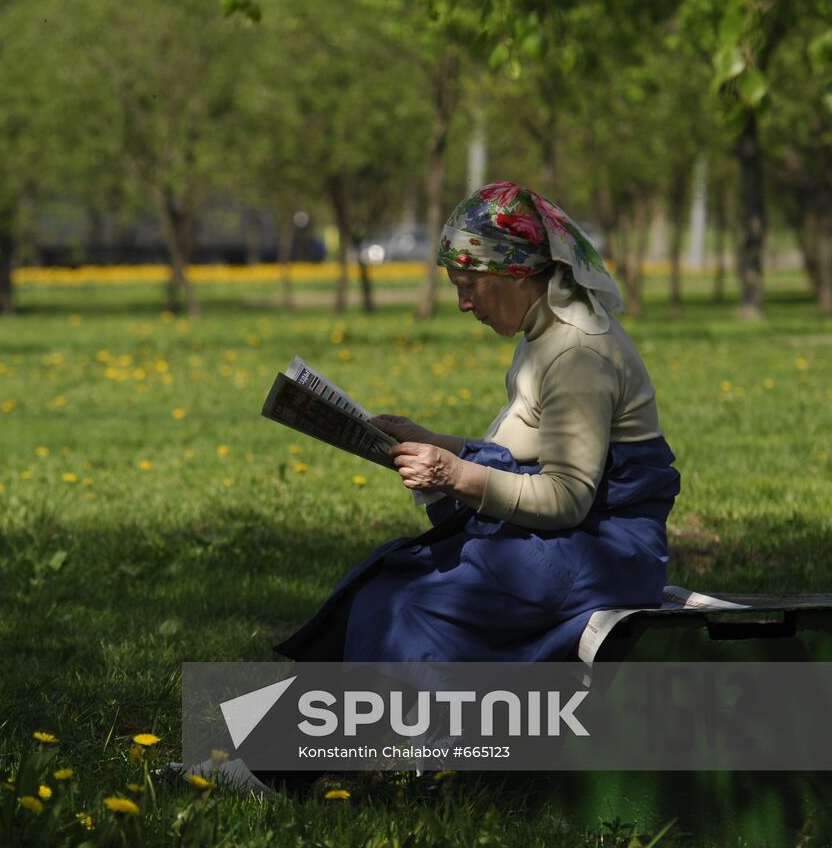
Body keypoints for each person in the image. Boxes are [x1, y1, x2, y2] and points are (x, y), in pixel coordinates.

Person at [275, 181, 680, 663]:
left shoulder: (577, 353)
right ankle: (356, 723)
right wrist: (429, 441)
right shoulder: (544, 329)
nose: (464, 305)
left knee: (415, 604)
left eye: (469, 287)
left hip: (603, 552)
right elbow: (526, 447)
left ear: (514, 271)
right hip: (569, 542)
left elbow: (567, 497)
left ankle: (435, 729)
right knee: (390, 581)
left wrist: (453, 474)